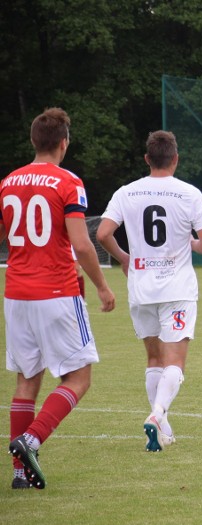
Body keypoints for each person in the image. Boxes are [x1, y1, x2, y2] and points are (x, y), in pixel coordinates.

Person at [2, 107, 116, 489]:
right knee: (79, 377)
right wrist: (101, 284)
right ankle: (31, 441)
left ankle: (19, 475)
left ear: (34, 141)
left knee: (26, 380)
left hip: (16, 294)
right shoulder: (68, 182)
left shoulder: (8, 182)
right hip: (56, 292)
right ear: (64, 143)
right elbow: (82, 245)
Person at [97, 130, 202, 452]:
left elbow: (104, 233)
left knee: (153, 358)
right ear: (175, 158)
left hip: (141, 287)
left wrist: (125, 258)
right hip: (177, 289)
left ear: (148, 159)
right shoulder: (189, 193)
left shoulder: (127, 192)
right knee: (175, 360)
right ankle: (158, 414)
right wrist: (185, 242)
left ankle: (163, 428)